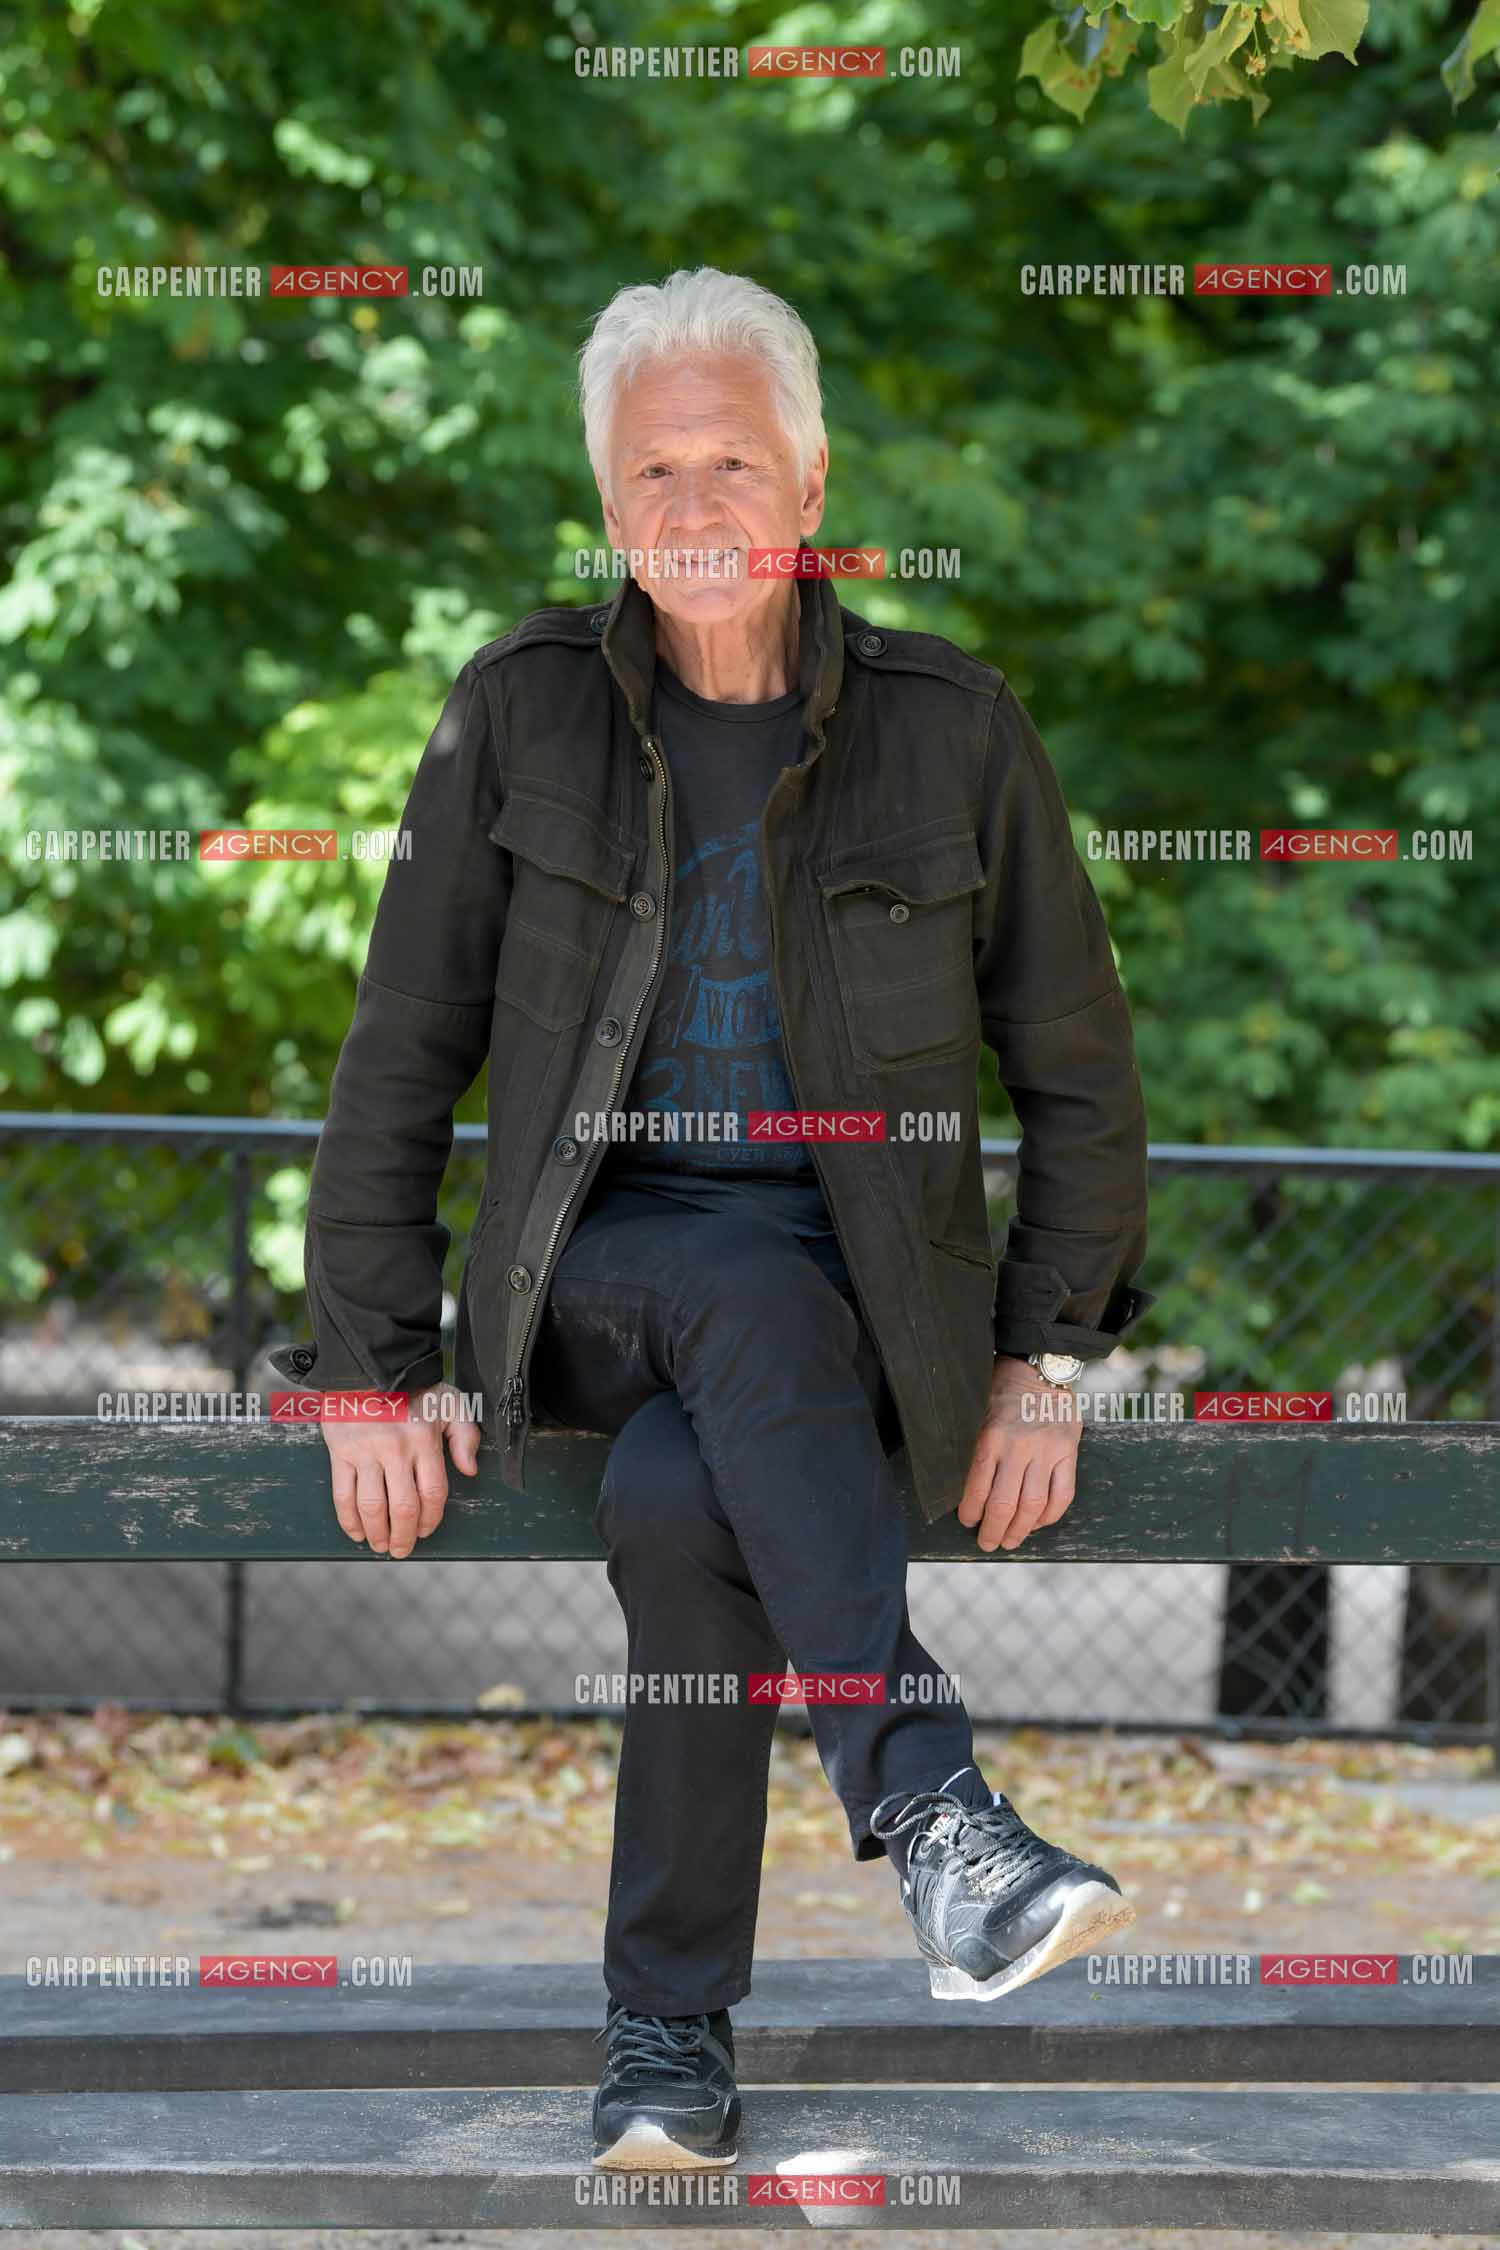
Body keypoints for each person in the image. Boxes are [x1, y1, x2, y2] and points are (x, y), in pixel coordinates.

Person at [269, 266, 1154, 2171]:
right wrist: (368, 1367)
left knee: (684, 1500)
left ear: (814, 479)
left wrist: (1052, 1350)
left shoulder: (954, 731)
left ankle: (666, 2039)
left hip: (853, 1317)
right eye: (652, 466)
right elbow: (396, 1062)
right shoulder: (514, 716)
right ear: (607, 504)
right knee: (727, 1280)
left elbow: (1079, 1066)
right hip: (590, 1270)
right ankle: (933, 1807)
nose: (695, 505)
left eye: (732, 456)